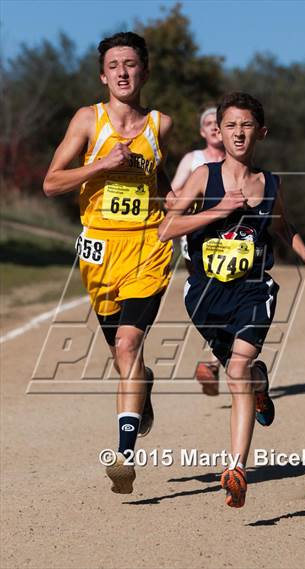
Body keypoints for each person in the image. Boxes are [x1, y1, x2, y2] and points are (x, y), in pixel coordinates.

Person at [159, 92, 305, 508]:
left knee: (236, 368)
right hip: (205, 294)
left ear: (261, 132)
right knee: (245, 374)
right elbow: (167, 227)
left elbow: (282, 225)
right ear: (219, 130)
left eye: (246, 125)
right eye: (230, 125)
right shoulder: (203, 176)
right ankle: (260, 386)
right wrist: (217, 210)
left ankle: (236, 469)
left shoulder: (270, 184)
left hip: (253, 290)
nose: (238, 132)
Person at [43, 32, 174, 493]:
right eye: (114, 65)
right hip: (99, 250)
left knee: (126, 345)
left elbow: (170, 185)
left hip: (148, 248)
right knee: (123, 355)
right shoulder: (88, 120)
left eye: (131, 64)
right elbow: (52, 183)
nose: (122, 71)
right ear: (103, 75)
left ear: (144, 71)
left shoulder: (162, 124)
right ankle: (144, 387)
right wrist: (101, 165)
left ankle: (124, 456)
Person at [170, 107, 225, 396]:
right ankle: (220, 356)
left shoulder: (237, 161)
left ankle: (217, 359)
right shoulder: (193, 160)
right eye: (208, 123)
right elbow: (173, 194)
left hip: (232, 240)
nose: (214, 126)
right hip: (196, 239)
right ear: (202, 132)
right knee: (208, 296)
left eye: (219, 122)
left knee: (227, 294)